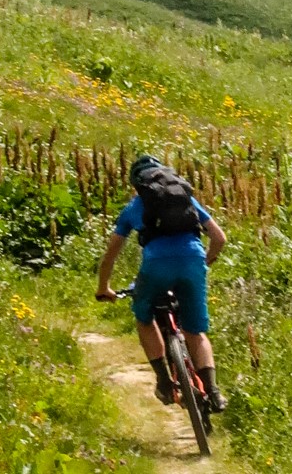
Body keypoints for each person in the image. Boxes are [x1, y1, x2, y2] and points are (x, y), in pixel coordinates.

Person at [96, 154, 229, 412]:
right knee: (195, 331)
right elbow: (219, 238)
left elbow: (110, 256)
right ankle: (213, 392)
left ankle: (165, 382)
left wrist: (104, 288)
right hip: (193, 259)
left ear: (138, 185)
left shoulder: (134, 207)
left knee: (144, 318)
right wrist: (205, 263)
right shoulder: (185, 198)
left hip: (156, 265)